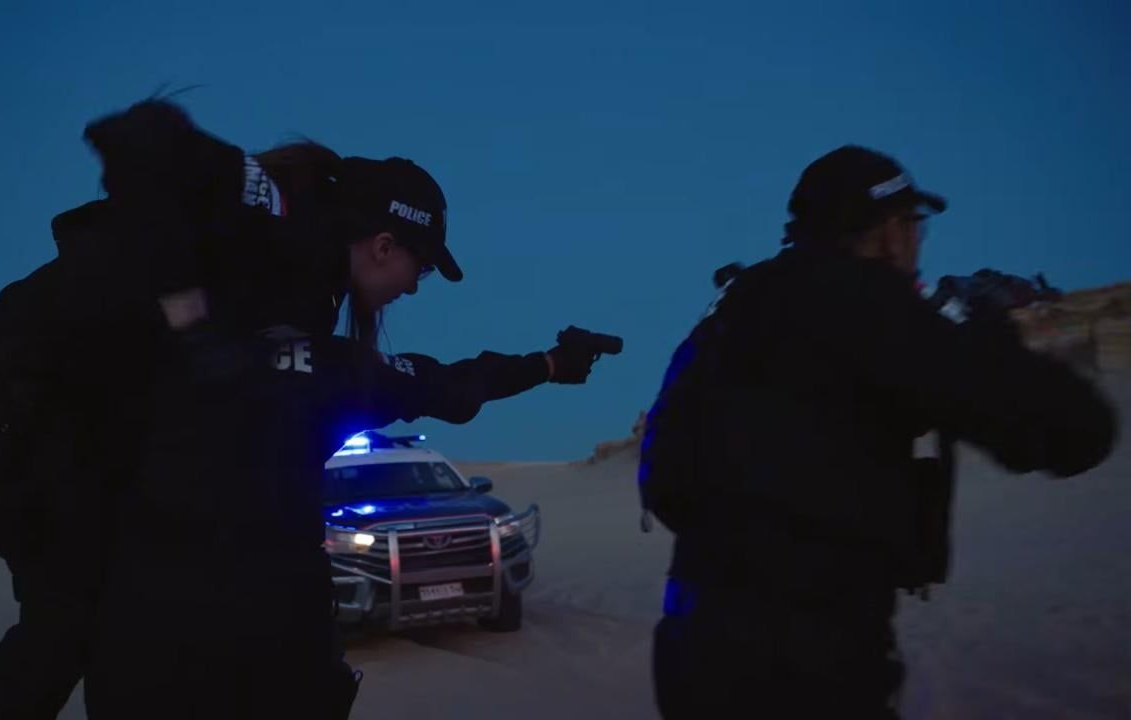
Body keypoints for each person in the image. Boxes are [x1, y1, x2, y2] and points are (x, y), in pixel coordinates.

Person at [75, 101, 606, 719]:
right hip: (176, 604)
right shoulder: (280, 232)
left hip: (204, 597)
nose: (414, 285)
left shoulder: (315, 332)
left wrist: (547, 364)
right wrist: (191, 328)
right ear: (384, 245)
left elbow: (435, 386)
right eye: (421, 267)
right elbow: (146, 138)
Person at [638, 145, 1118, 719]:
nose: (915, 240)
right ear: (890, 233)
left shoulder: (738, 305)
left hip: (693, 642)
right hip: (807, 660)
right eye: (913, 223)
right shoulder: (868, 304)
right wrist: (983, 334)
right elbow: (1073, 431)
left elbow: (667, 470)